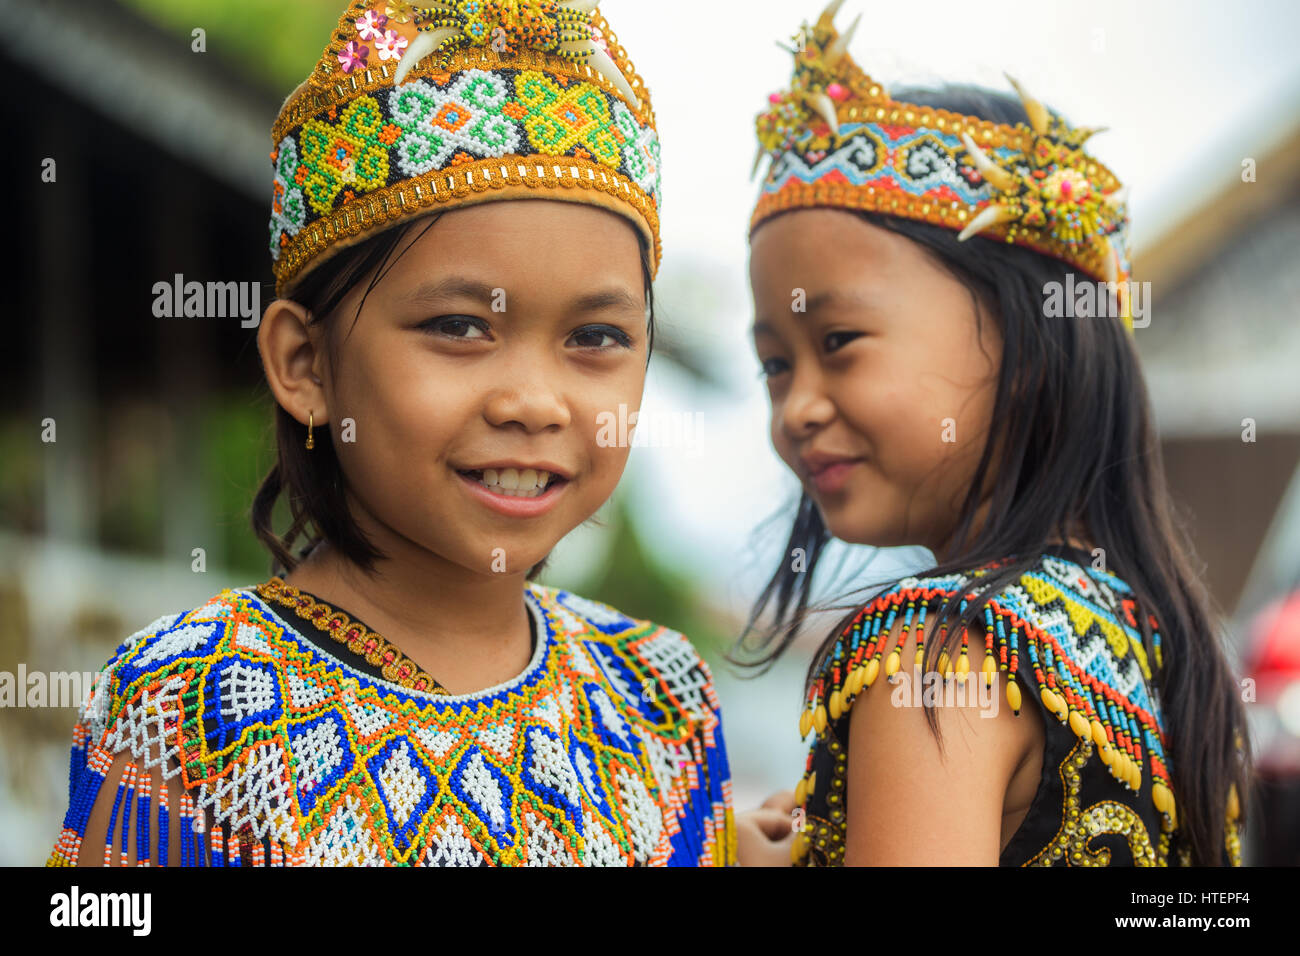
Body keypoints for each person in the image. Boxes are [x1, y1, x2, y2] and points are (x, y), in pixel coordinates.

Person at [47, 0, 734, 867]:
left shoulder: (664, 697)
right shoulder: (192, 706)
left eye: (595, 339)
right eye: (458, 327)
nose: (534, 401)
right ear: (306, 364)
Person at [732, 0, 1248, 866]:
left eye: (837, 344)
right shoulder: (1161, 645)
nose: (797, 407)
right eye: (774, 366)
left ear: (1027, 343)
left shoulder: (937, 654)